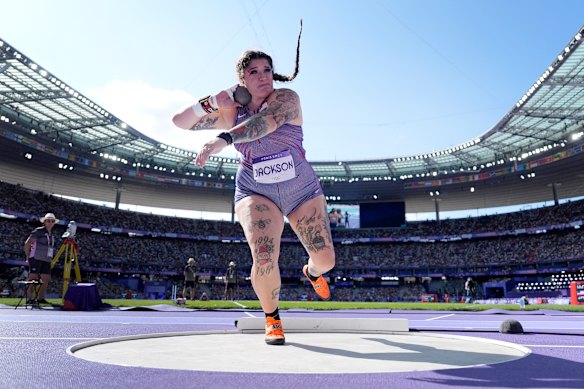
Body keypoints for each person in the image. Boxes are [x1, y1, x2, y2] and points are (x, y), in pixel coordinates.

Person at [172, 23, 336, 345]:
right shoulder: (231, 111)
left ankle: (312, 273)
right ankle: (272, 318)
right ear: (242, 80)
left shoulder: (287, 98)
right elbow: (179, 121)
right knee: (263, 256)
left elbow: (265, 123)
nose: (263, 77)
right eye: (254, 71)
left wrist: (224, 138)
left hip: (300, 188)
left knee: (326, 259)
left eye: (267, 70)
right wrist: (212, 101)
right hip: (255, 190)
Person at [23, 213, 59, 304]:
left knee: (46, 278)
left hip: (46, 259)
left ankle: (40, 298)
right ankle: (29, 298)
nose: (50, 222)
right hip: (36, 257)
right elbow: (27, 243)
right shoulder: (38, 231)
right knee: (33, 277)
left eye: (52, 221)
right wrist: (28, 257)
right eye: (48, 221)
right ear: (44, 222)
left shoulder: (51, 234)